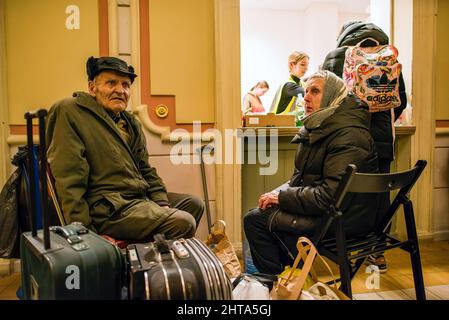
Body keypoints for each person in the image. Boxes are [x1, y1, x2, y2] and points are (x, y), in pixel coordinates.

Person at [46, 56, 204, 241]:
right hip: (106, 210)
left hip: (136, 200)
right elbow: (68, 179)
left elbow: (146, 170)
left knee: (193, 204)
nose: (120, 90)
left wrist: (162, 203)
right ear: (92, 87)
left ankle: (152, 260)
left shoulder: (129, 122)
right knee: (182, 222)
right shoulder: (69, 111)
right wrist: (85, 232)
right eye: (111, 83)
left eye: (126, 85)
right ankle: (154, 267)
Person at [244, 70, 379, 275]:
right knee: (262, 209)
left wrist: (281, 196)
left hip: (342, 221)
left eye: (314, 91)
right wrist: (277, 195)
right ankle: (283, 283)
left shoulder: (349, 134)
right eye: (306, 91)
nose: (305, 97)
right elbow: (300, 180)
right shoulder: (319, 125)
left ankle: (275, 285)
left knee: (255, 221)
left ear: (333, 96)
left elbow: (327, 197)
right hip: (330, 212)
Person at [322, 21, 408, 273]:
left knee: (343, 194)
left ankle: (342, 249)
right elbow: (399, 99)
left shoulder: (335, 56)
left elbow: (324, 101)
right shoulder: (388, 55)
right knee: (380, 195)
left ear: (343, 35)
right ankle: (377, 252)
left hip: (344, 140)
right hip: (380, 142)